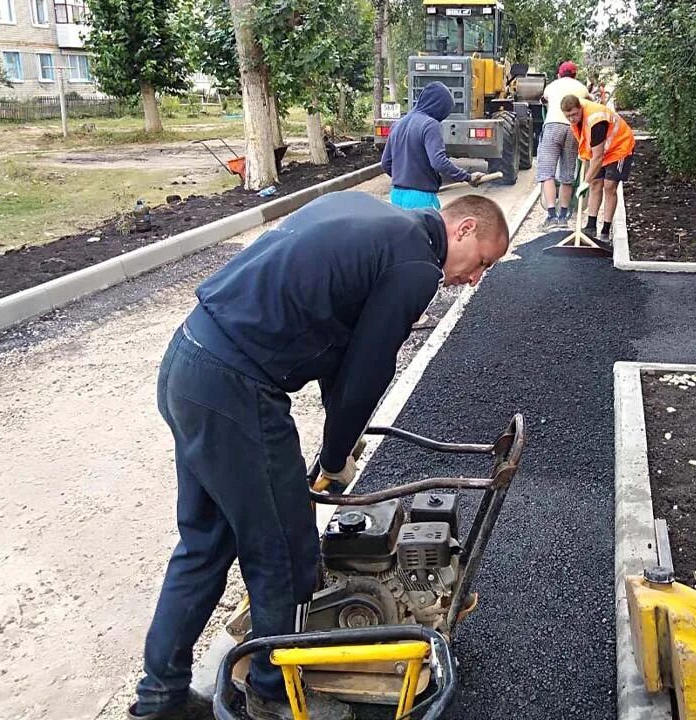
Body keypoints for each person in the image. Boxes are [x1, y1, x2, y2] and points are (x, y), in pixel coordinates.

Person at [128, 191, 509, 720]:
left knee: (205, 542)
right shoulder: (416, 264)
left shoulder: (374, 220)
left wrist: (342, 439)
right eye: (482, 263)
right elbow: (366, 374)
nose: (474, 278)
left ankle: (159, 699)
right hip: (236, 388)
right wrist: (334, 458)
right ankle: (272, 694)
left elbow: (343, 353)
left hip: (189, 362)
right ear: (464, 229)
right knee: (285, 551)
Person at [382, 81, 483, 210]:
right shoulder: (430, 125)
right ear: (439, 107)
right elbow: (438, 162)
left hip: (397, 196)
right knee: (430, 230)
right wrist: (467, 177)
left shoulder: (398, 125)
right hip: (421, 200)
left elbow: (386, 163)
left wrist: (405, 180)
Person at [560, 94, 635, 242]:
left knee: (609, 186)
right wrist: (589, 180)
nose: (571, 119)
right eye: (568, 116)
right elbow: (590, 148)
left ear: (580, 108)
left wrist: (584, 183)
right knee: (595, 184)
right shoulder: (577, 116)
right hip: (602, 150)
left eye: (574, 114)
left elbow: (598, 157)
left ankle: (605, 231)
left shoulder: (597, 121)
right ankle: (590, 226)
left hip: (620, 147)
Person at [537, 61, 589, 228]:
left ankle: (551, 215)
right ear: (575, 75)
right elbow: (590, 101)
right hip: (572, 128)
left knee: (547, 172)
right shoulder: (581, 87)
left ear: (559, 75)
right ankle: (564, 216)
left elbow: (544, 99)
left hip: (552, 126)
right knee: (567, 173)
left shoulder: (551, 86)